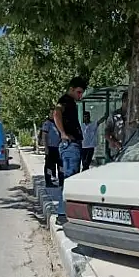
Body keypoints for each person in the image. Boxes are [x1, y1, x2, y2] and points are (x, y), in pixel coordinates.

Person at [54, 76, 87, 224]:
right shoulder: (65, 100)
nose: (80, 95)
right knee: (69, 179)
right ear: (72, 89)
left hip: (72, 144)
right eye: (79, 92)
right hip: (70, 145)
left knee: (70, 178)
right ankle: (62, 214)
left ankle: (65, 212)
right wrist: (63, 134)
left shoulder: (70, 102)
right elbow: (56, 113)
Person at [40, 114, 63, 187]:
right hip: (51, 148)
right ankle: (48, 181)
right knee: (49, 166)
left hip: (58, 148)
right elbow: (44, 136)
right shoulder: (47, 123)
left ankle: (61, 181)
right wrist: (46, 148)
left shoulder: (58, 123)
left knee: (61, 166)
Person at [105, 91, 128, 161]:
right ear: (124, 101)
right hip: (116, 153)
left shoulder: (134, 116)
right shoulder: (114, 115)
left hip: (130, 152)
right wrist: (114, 142)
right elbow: (107, 133)